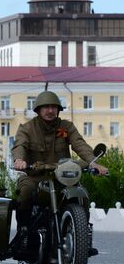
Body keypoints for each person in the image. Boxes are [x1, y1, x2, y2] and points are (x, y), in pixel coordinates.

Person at [12, 90, 108, 240]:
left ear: (58, 109)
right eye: (46, 107)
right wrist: (19, 160)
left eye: (54, 107)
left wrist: (93, 162)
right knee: (25, 192)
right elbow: (20, 145)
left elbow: (79, 144)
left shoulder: (66, 127)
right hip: (36, 176)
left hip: (63, 177)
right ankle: (23, 233)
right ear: (38, 109)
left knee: (81, 194)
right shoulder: (27, 128)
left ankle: (82, 236)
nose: (50, 110)